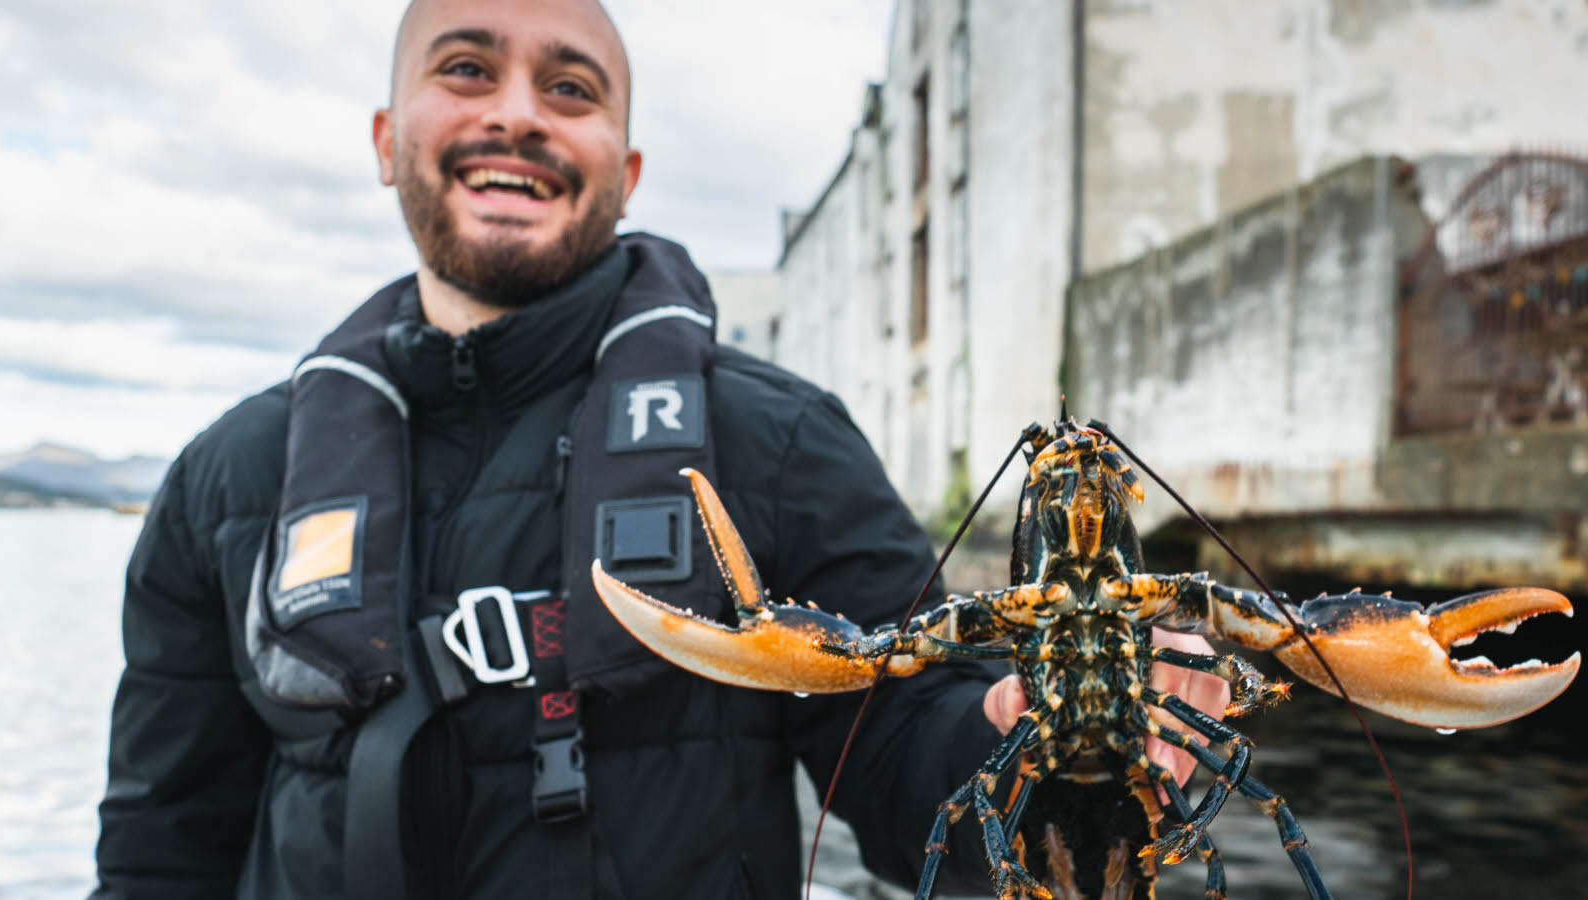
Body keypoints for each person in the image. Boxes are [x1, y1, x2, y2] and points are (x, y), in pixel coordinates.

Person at [91, 1, 1227, 897]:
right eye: (466, 69)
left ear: (625, 169)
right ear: (390, 141)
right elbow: (160, 846)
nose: (519, 114)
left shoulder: (776, 441)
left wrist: (1004, 743)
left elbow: (893, 764)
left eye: (570, 88)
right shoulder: (228, 481)